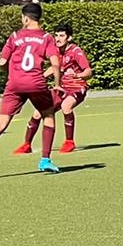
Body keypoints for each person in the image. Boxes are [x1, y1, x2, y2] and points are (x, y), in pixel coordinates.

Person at [0, 1, 62, 179]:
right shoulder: (46, 37)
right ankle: (45, 160)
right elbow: (55, 63)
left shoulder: (15, 36)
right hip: (36, 83)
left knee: (1, 123)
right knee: (48, 115)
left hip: (14, 84)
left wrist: (10, 75)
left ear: (26, 19)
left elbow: (2, 62)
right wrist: (57, 83)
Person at [16, 23, 92, 154]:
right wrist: (39, 77)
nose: (58, 39)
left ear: (69, 38)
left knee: (66, 106)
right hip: (62, 88)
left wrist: (77, 75)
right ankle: (26, 145)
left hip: (77, 87)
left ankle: (69, 142)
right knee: (38, 113)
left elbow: (88, 72)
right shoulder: (56, 51)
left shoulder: (76, 52)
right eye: (56, 35)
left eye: (61, 36)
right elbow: (54, 68)